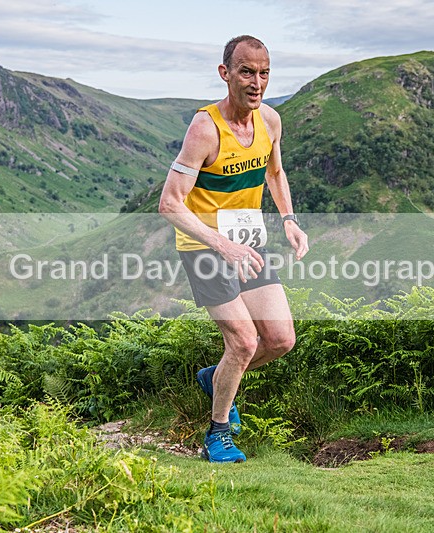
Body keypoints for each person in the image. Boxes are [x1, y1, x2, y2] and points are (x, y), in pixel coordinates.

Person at [158, 35, 309, 463]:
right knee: (243, 343)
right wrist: (221, 244)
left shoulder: (270, 122)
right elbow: (169, 203)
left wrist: (290, 221)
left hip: (248, 243)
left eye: (264, 73)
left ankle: (215, 377)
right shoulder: (205, 128)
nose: (256, 82)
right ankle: (218, 433)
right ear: (226, 74)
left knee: (280, 340)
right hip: (203, 245)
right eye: (246, 71)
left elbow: (275, 173)